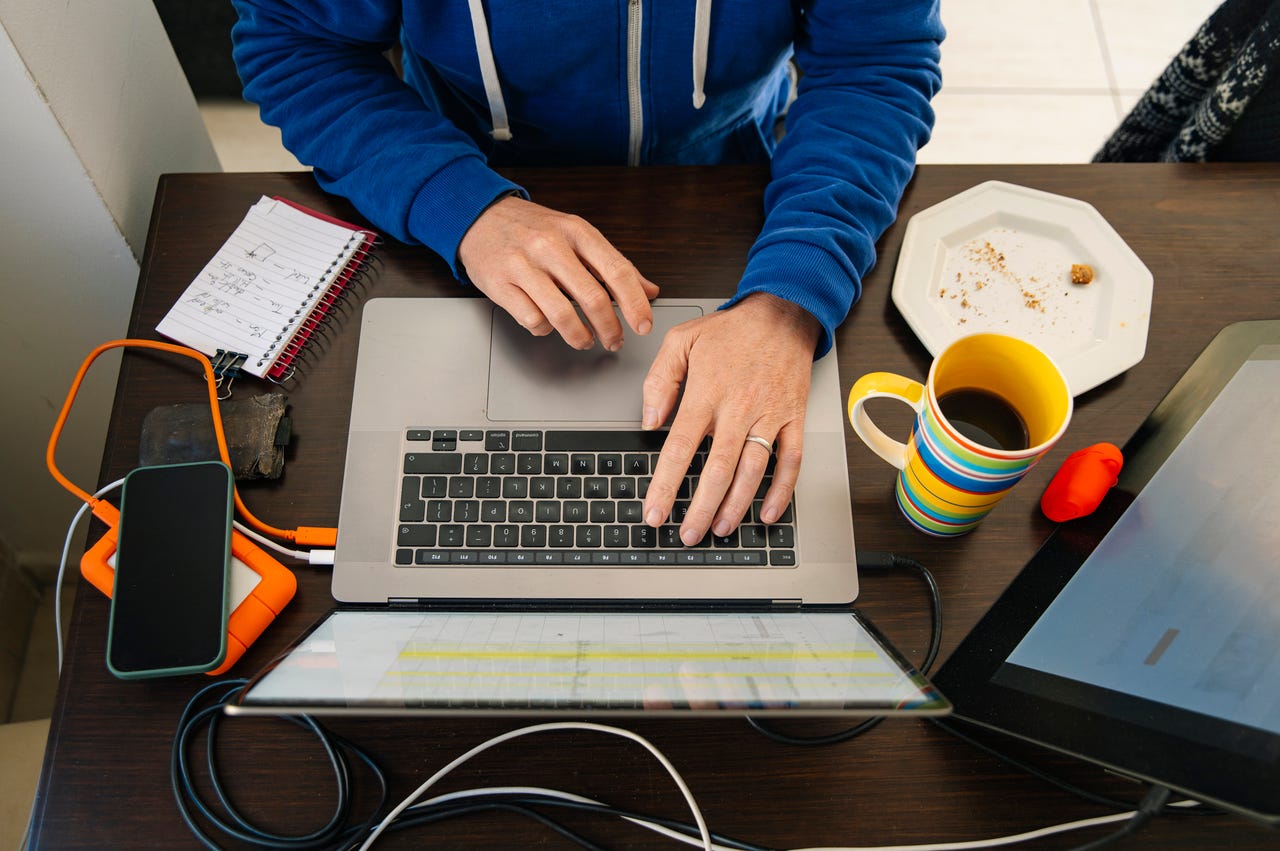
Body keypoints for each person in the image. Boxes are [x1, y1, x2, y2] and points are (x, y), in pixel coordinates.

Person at [231, 1, 944, 545]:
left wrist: (793, 295)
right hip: (459, 213)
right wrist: (462, 206)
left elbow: (874, 66)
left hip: (740, 202)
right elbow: (294, 42)